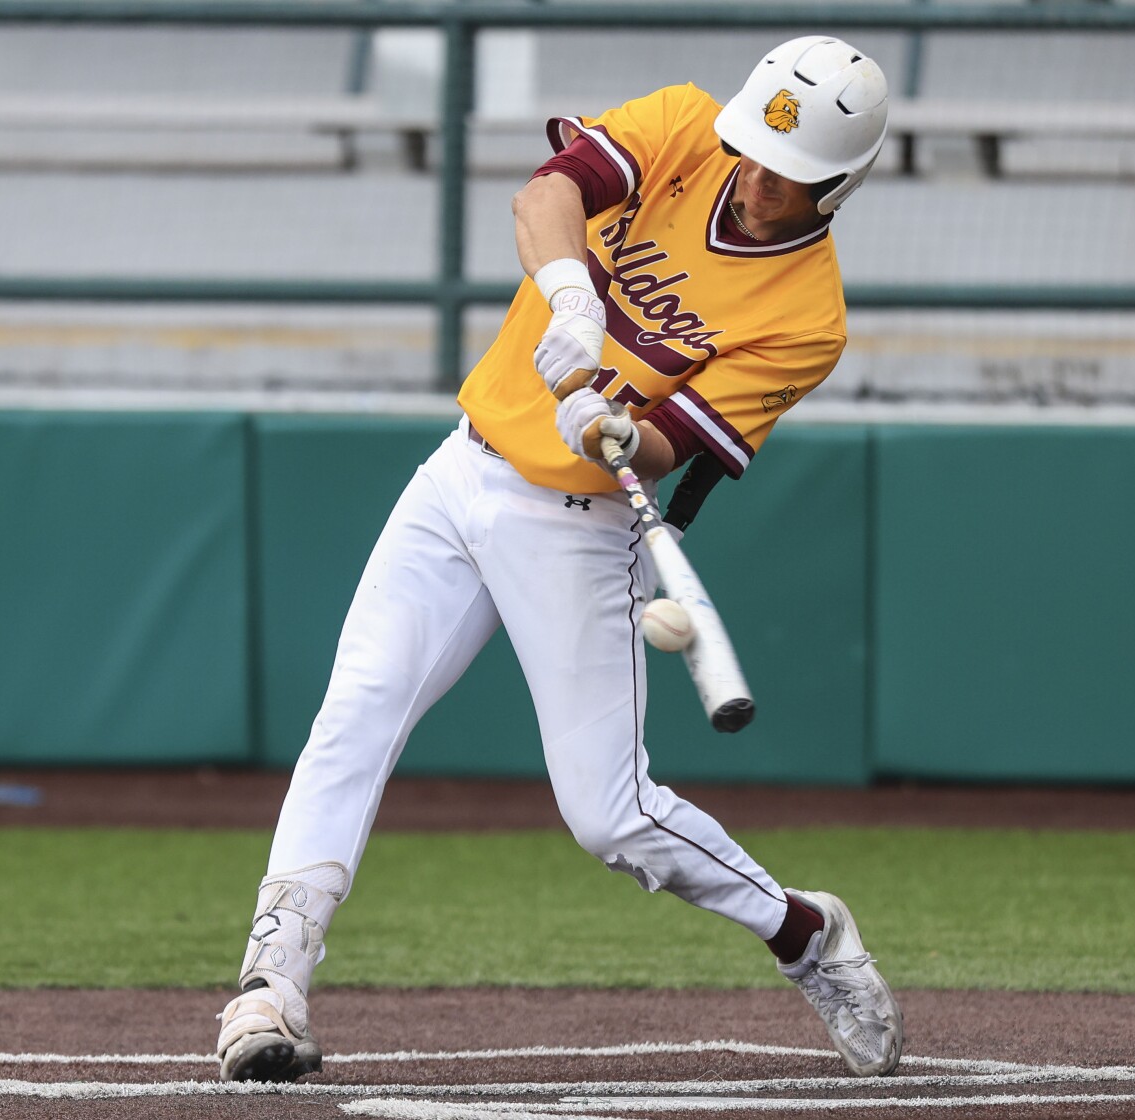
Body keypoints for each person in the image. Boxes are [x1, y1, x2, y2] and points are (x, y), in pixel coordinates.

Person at [214, 36, 904, 1084]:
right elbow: (546, 196)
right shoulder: (684, 124)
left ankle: (805, 932)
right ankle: (272, 984)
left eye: (789, 174)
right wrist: (575, 300)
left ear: (840, 183)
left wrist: (611, 422)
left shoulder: (808, 318)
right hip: (463, 470)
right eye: (754, 154)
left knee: (610, 814)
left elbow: (673, 444)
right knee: (355, 711)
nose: (757, 181)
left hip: (580, 521)